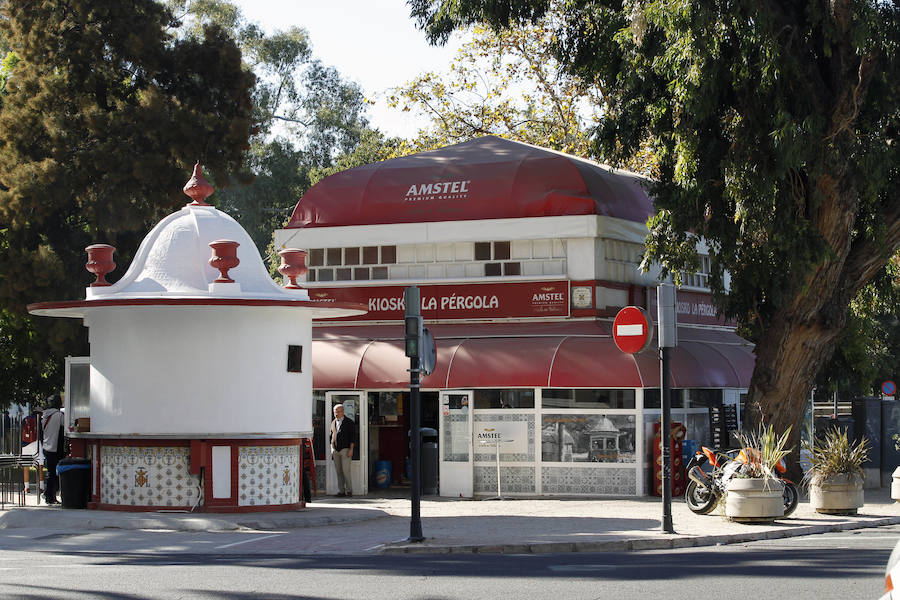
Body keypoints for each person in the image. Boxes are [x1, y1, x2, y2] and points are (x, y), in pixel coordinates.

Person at [41, 394, 65, 505]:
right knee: (55, 473)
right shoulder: (59, 415)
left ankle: (48, 494)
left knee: (50, 473)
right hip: (56, 447)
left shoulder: (44, 415)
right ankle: (50, 496)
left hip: (46, 446)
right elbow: (65, 425)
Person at [329, 404, 355, 497]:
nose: (336, 413)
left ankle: (349, 490)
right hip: (336, 450)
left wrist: (351, 449)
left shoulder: (349, 422)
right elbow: (331, 436)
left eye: (338, 411)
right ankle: (341, 491)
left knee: (346, 471)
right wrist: (332, 448)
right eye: (335, 411)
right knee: (338, 471)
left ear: (343, 412)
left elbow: (353, 437)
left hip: (345, 449)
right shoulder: (333, 423)